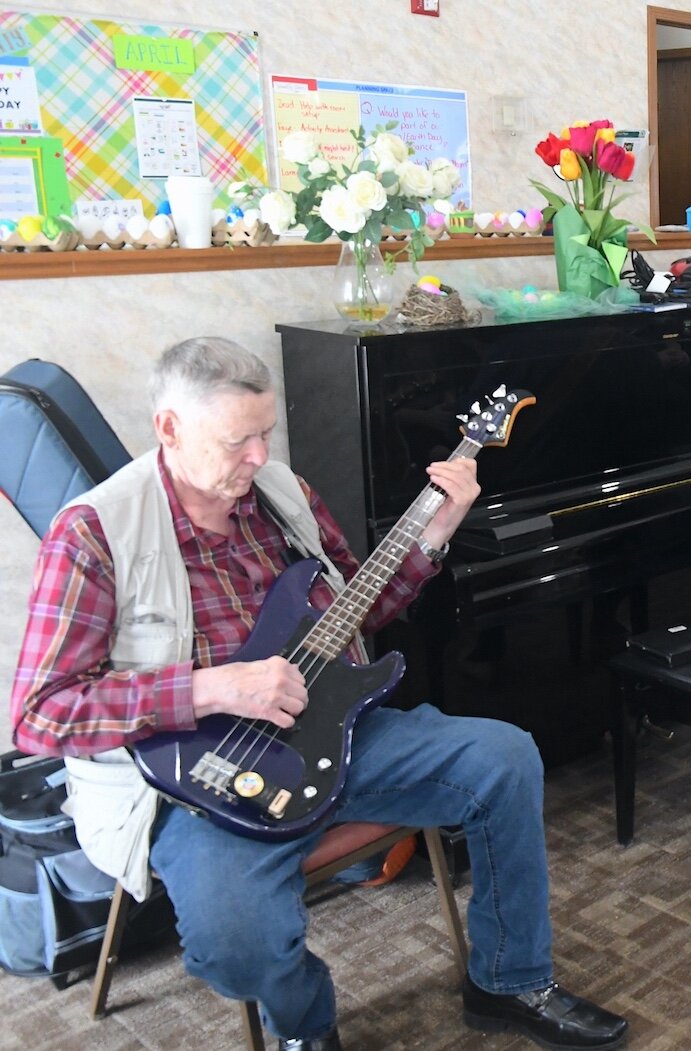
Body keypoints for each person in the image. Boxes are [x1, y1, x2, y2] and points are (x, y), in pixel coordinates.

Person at [10, 339, 627, 1051]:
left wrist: (436, 534)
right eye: (238, 439)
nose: (258, 456)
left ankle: (508, 978)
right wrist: (210, 687)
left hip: (333, 732)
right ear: (169, 428)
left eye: (266, 432)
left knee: (504, 756)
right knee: (236, 941)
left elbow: (355, 609)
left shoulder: (282, 494)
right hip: (195, 785)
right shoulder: (92, 534)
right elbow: (39, 713)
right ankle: (307, 1024)